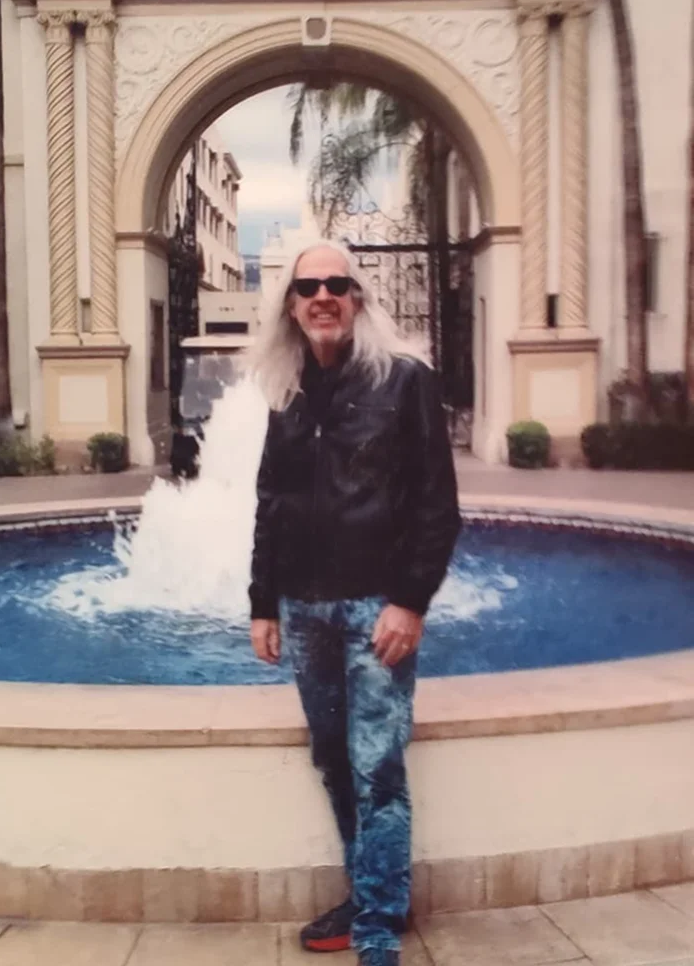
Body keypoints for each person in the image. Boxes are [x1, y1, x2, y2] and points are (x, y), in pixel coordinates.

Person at [247, 240, 461, 966]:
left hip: (376, 610)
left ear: (358, 296)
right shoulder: (287, 391)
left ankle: (376, 935)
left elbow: (437, 506)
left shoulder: (404, 380)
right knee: (336, 762)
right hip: (304, 610)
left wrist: (409, 601)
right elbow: (271, 502)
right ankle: (372, 896)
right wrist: (263, 602)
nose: (323, 297)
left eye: (336, 284)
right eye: (308, 286)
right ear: (290, 304)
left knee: (378, 770)